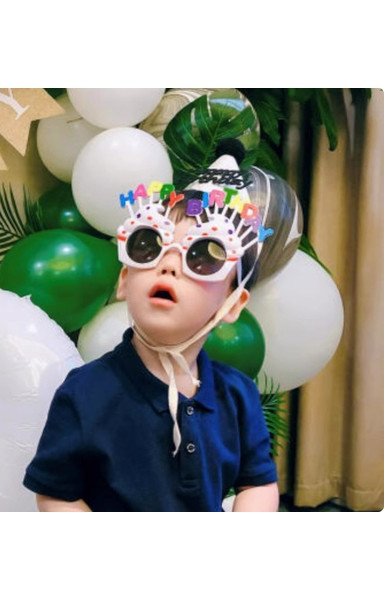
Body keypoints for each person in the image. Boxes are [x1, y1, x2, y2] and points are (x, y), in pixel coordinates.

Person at [23, 150, 279, 512]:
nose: (169, 266)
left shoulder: (238, 395)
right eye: (148, 246)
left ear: (233, 303)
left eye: (203, 256)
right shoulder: (84, 392)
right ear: (124, 280)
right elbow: (56, 493)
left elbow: (258, 482)